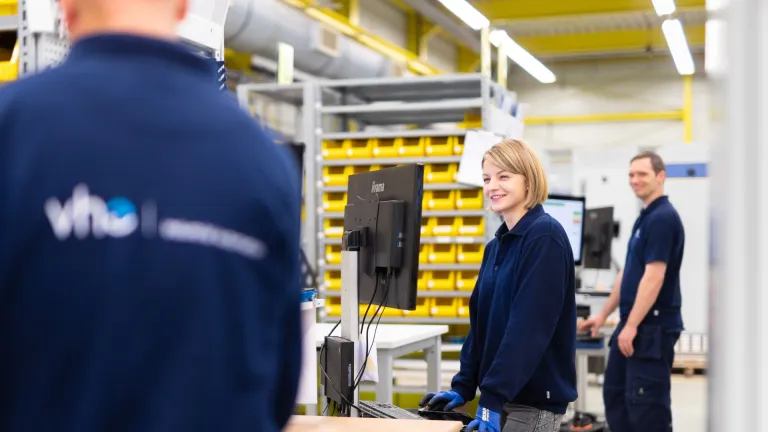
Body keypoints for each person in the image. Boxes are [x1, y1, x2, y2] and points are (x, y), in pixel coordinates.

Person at [0, 1, 303, 431]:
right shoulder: (263, 159)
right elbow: (279, 387)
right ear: (183, 7)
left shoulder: (12, 126)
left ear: (66, 7)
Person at [420, 139, 577, 432]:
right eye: (486, 179)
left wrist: (491, 398)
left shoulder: (545, 237)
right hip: (500, 398)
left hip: (532, 402)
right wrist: (464, 385)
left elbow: (528, 329)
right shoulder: (496, 246)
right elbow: (481, 324)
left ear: (528, 180)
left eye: (504, 176)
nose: (493, 186)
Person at [580, 151, 684, 432]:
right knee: (616, 397)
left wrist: (632, 325)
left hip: (652, 328)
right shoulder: (646, 217)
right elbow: (628, 273)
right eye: (631, 174)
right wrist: (603, 316)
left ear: (660, 177)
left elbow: (654, 276)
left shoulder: (663, 218)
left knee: (646, 407)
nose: (634, 180)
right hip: (633, 324)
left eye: (642, 174)